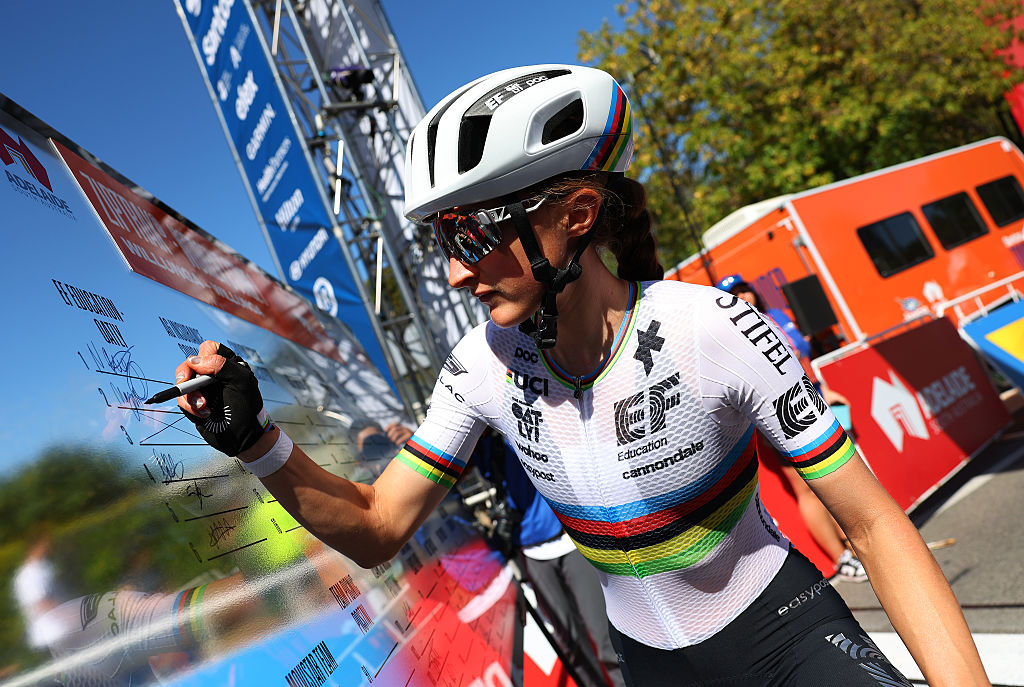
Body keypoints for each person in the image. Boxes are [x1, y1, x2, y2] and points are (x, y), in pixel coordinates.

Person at [173, 64, 990, 686]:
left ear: (576, 217)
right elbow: (378, 524)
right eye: (441, 244)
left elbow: (878, 525)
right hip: (653, 665)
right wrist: (258, 442)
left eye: (469, 236)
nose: (456, 274)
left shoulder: (711, 328)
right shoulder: (483, 366)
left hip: (785, 634)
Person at [715, 275, 868, 582]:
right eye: (733, 293)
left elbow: (798, 359)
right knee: (809, 490)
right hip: (777, 414)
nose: (743, 294)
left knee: (838, 474)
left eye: (743, 288)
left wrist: (823, 386)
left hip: (812, 400)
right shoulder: (729, 333)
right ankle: (842, 559)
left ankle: (858, 542)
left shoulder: (777, 317)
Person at [472, 432, 624, 687]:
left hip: (572, 541)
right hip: (532, 553)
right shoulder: (488, 442)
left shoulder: (521, 418)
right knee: (571, 645)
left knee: (606, 639)